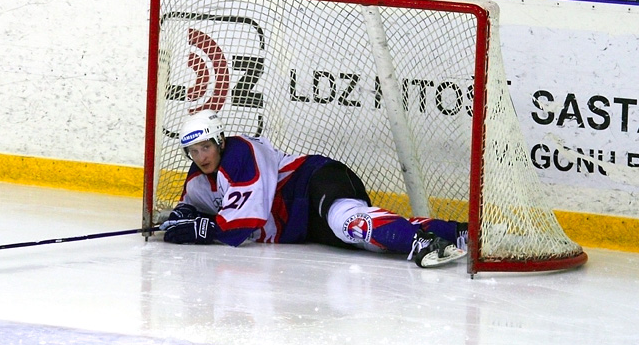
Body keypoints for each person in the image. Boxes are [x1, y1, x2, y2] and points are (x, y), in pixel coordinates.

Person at [160, 110, 467, 268]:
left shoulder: (240, 153)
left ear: (219, 140)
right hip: (303, 226)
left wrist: (204, 230)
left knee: (347, 221)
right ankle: (460, 234)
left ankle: (423, 245)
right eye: (193, 151)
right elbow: (189, 208)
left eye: (205, 147)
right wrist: (178, 219)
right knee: (360, 236)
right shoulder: (198, 179)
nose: (201, 157)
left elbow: (241, 226)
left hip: (315, 181)